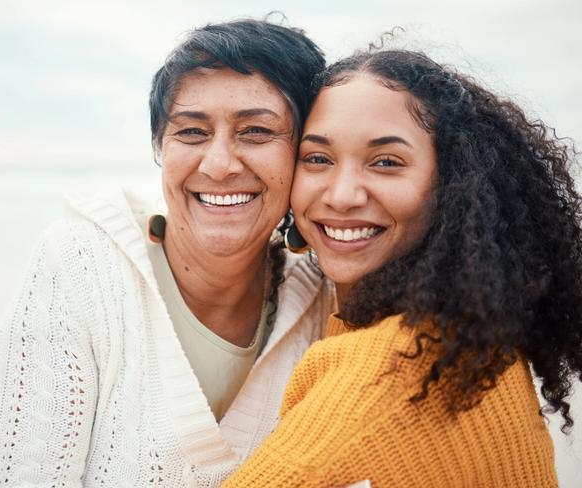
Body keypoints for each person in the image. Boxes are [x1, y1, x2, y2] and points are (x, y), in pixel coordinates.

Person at [222, 48, 582, 487]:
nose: (342, 195)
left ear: (452, 186)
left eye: (386, 162)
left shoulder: (396, 366)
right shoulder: (468, 336)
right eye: (318, 158)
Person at [0, 19, 335, 487]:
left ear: (307, 153)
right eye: (192, 132)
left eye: (256, 131)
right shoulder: (81, 266)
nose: (218, 165)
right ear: (160, 145)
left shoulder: (328, 301)